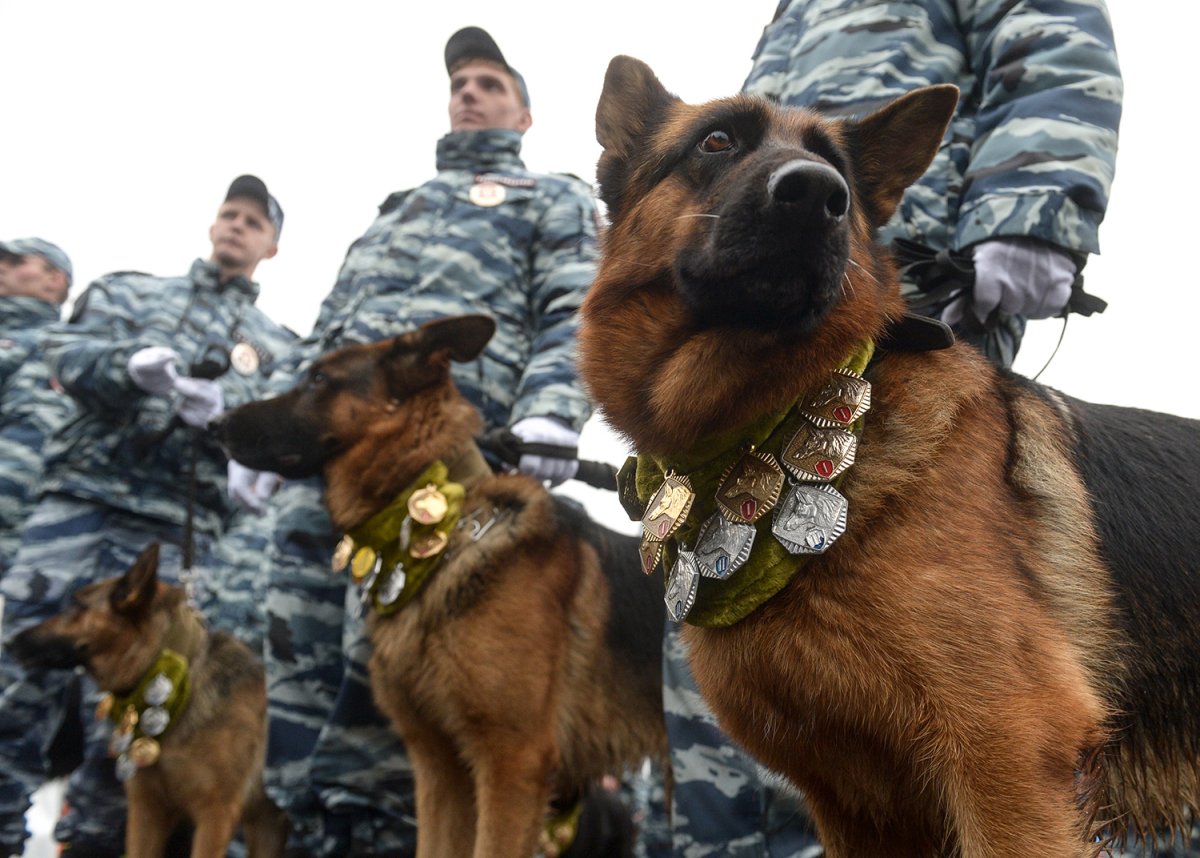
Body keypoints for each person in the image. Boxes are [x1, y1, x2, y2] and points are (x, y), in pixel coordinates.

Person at [659, 2, 1125, 855]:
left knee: (970, 695)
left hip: (910, 293)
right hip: (751, 355)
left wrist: (1032, 212)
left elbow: (1054, 34)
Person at [224, 26, 599, 857]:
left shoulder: (555, 201)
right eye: (460, 81)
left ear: (525, 115)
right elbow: (324, 335)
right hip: (329, 468)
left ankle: (389, 833)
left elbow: (575, 307)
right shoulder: (399, 207)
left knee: (417, 676)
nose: (469, 92)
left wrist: (549, 409)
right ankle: (308, 826)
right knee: (296, 646)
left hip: (447, 470)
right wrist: (257, 435)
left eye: (490, 83)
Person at [0, 176, 295, 858]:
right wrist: (127, 366)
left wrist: (227, 434)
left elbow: (279, 447)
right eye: (229, 213)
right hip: (80, 508)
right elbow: (65, 356)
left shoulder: (279, 347)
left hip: (175, 537)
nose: (236, 226)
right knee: (19, 679)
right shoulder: (130, 292)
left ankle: (95, 844)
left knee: (147, 720)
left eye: (253, 221)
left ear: (272, 246)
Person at [0, 238, 74, 577]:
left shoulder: (49, 347)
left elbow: (25, 450)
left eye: (17, 262)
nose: (3, 267)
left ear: (53, 280)